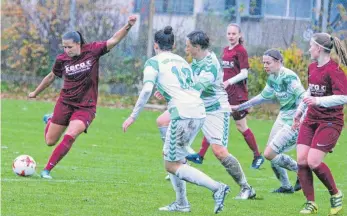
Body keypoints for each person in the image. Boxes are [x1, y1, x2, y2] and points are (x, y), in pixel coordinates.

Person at [122, 26, 230, 214]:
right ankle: (182, 204)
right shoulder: (182, 60)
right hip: (198, 111)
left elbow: (146, 89)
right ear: (172, 44)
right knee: (172, 157)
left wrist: (133, 116)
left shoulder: (153, 62)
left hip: (182, 114)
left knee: (171, 165)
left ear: (156, 45)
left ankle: (217, 188)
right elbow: (187, 86)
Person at [28, 15, 137, 179]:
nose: (66, 50)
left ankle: (46, 170)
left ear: (79, 44)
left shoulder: (93, 51)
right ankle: (50, 120)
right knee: (50, 141)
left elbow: (114, 40)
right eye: (64, 47)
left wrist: (128, 25)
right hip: (65, 103)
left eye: (69, 47)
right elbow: (51, 77)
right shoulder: (62, 59)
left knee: (70, 134)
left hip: (86, 107)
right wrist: (35, 93)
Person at [157, 30, 256, 200]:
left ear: (197, 47)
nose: (186, 49)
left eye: (188, 46)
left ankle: (246, 188)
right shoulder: (194, 61)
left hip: (215, 110)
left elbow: (196, 88)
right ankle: (179, 161)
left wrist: (173, 93)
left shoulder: (210, 65)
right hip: (195, 106)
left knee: (219, 152)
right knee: (162, 121)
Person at [186, 23, 264, 169]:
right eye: (229, 33)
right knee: (213, 122)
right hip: (224, 93)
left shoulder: (241, 51)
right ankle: (200, 155)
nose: (231, 36)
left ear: (239, 35)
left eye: (234, 34)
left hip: (237, 94)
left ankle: (257, 155)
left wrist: (228, 81)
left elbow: (244, 73)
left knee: (241, 126)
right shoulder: (225, 50)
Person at [231, 49, 304, 193]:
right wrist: (240, 107)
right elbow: (262, 97)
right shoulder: (272, 78)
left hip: (294, 120)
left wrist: (299, 117)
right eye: (263, 62)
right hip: (283, 116)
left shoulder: (289, 77)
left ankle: (301, 171)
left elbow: (303, 96)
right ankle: (286, 186)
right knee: (270, 151)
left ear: (278, 62)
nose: (265, 65)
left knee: (270, 153)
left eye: (268, 62)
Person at [293, 33, 347, 215]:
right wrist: (300, 110)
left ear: (319, 49)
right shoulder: (312, 67)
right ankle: (311, 203)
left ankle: (336, 194)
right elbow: (310, 90)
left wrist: (318, 102)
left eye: (311, 46)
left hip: (331, 121)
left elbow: (343, 97)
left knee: (313, 162)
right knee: (301, 161)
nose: (309, 49)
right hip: (310, 119)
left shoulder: (335, 70)